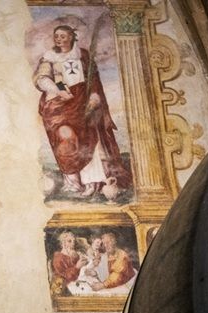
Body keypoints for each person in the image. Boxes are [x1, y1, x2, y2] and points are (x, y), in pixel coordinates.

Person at [33, 24, 130, 199]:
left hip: (83, 103)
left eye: (63, 36)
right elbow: (41, 78)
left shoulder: (83, 55)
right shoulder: (49, 57)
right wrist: (57, 90)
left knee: (88, 140)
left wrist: (94, 96)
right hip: (59, 106)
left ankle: (92, 182)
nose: (59, 39)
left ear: (72, 37)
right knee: (65, 140)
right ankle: (73, 183)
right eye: (56, 36)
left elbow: (93, 80)